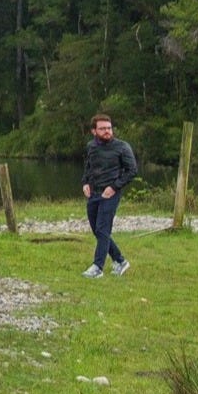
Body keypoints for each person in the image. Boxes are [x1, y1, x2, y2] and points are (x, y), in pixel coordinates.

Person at [82, 113, 137, 278]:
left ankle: (97, 267)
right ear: (94, 131)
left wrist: (114, 187)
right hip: (94, 193)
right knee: (97, 231)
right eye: (102, 128)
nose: (107, 131)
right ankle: (120, 260)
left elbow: (132, 171)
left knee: (102, 228)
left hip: (110, 193)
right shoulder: (91, 147)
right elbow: (88, 167)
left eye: (109, 128)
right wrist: (85, 182)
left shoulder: (122, 147)